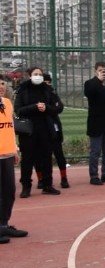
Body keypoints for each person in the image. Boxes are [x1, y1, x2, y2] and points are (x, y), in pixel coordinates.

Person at [14, 67, 61, 196]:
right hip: (28, 130)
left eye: (40, 74)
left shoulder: (48, 89)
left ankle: (47, 185)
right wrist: (34, 107)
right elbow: (18, 110)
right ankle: (26, 187)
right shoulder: (23, 89)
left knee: (46, 158)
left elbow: (58, 107)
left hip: (45, 128)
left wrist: (46, 108)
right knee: (27, 159)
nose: (38, 76)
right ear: (30, 76)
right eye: (35, 74)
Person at [0, 77, 28, 242]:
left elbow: (10, 128)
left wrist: (15, 149)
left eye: (2, 83)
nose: (1, 86)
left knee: (9, 192)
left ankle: (4, 224)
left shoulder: (7, 103)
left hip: (8, 154)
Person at [42, 73, 70, 188]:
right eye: (45, 83)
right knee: (42, 157)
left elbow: (59, 108)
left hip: (55, 129)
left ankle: (64, 178)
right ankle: (43, 180)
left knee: (59, 155)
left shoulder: (53, 94)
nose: (47, 85)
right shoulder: (36, 94)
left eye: (48, 83)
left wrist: (48, 109)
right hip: (42, 129)